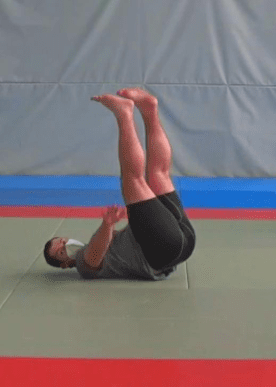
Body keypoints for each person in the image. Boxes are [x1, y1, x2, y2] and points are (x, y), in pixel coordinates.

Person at [43, 88, 196, 280]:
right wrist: (107, 225)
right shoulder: (82, 265)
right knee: (133, 181)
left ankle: (149, 110)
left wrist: (138, 217)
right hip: (163, 251)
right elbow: (94, 257)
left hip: (181, 243)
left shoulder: (107, 243)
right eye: (60, 251)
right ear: (65, 264)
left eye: (61, 240)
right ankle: (124, 114)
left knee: (158, 176)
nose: (64, 244)